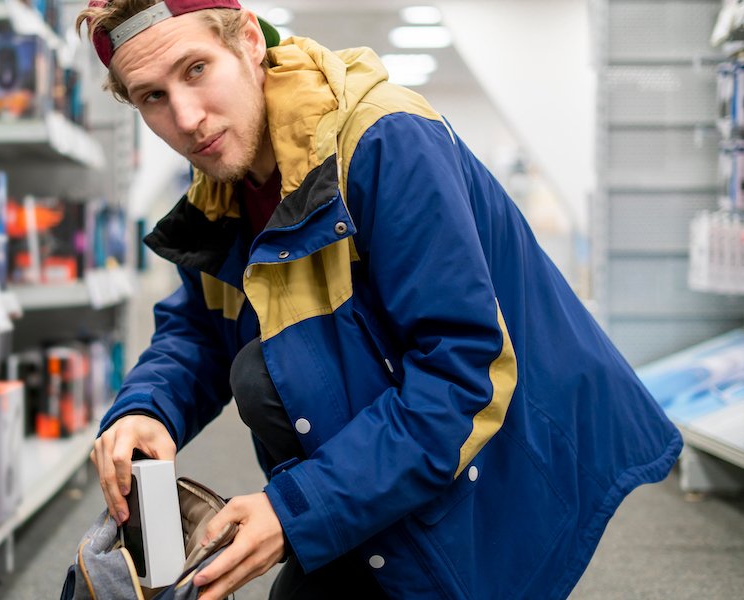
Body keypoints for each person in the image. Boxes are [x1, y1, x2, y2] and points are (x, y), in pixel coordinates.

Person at [77, 1, 682, 598]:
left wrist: (295, 511)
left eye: (196, 69)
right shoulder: (224, 177)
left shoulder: (386, 143)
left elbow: (459, 375)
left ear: (250, 43)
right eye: (152, 95)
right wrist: (146, 408)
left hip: (498, 471)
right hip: (365, 472)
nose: (187, 117)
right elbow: (201, 329)